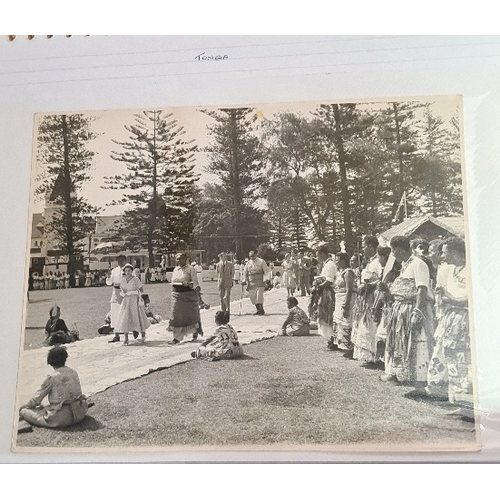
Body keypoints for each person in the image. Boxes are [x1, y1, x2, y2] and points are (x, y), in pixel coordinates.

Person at [382, 235, 435, 385]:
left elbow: (422, 289)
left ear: (399, 249)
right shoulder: (406, 264)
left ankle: (420, 379)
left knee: (416, 342)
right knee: (400, 342)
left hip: (412, 309)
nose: (392, 254)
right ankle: (401, 373)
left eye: (393, 251)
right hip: (400, 309)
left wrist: (417, 312)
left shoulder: (419, 264)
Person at [425, 237, 472, 404]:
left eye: (445, 252)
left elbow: (471, 298)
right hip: (450, 317)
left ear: (457, 253)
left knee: (461, 356)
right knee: (446, 354)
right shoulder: (451, 270)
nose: (442, 256)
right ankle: (450, 395)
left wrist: (449, 297)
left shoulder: (471, 270)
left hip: (464, 319)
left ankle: (465, 399)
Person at [19, 346, 88, 429]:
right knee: (45, 406)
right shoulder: (73, 372)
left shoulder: (51, 378)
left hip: (63, 417)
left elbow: (36, 400)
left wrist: (24, 406)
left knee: (25, 411)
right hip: (80, 411)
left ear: (51, 362)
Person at [351, 235, 382, 364]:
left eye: (364, 246)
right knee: (365, 325)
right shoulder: (369, 261)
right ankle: (367, 356)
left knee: (372, 325)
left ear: (370, 246)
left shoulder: (378, 261)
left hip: (373, 297)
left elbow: (381, 279)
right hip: (365, 297)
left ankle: (374, 357)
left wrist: (368, 285)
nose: (363, 249)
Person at [169, 252, 202, 345]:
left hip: (188, 294)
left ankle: (194, 331)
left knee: (191, 315)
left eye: (181, 258)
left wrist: (188, 284)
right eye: (177, 259)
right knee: (175, 315)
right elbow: (173, 281)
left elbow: (195, 282)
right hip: (177, 294)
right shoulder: (176, 269)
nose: (179, 260)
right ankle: (176, 337)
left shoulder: (191, 269)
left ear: (185, 259)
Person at [114, 263, 150, 345]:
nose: (128, 272)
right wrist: (123, 293)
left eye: (129, 270)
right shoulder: (122, 280)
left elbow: (141, 289)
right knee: (125, 317)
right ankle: (126, 339)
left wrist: (138, 296)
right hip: (126, 300)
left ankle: (143, 334)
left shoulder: (135, 279)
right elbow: (121, 289)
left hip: (134, 299)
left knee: (137, 316)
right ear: (124, 271)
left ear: (132, 271)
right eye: (126, 271)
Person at [309, 244, 337, 338]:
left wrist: (318, 287)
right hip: (323, 292)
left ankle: (331, 337)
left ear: (323, 254)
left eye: (317, 255)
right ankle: (329, 337)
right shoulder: (325, 264)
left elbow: (329, 280)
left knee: (327, 315)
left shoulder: (330, 264)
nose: (317, 258)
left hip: (327, 293)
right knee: (323, 315)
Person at [331, 252, 356, 350]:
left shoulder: (348, 272)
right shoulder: (341, 272)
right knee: (340, 322)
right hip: (339, 299)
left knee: (346, 321)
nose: (336, 262)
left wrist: (346, 304)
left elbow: (349, 289)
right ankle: (343, 346)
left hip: (345, 300)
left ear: (343, 261)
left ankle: (349, 347)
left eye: (337, 260)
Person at [106, 255, 127, 343]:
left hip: (125, 293)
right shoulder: (114, 271)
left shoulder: (128, 269)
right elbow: (109, 283)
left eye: (122, 260)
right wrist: (108, 276)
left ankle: (129, 333)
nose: (120, 262)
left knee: (126, 314)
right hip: (115, 292)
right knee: (114, 313)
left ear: (125, 260)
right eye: (119, 260)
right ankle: (116, 335)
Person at [243, 250, 271, 315]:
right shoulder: (248, 263)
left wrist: (266, 280)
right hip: (251, 282)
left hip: (259, 281)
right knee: (253, 297)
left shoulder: (261, 261)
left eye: (253, 256)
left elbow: (266, 271)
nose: (252, 258)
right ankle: (258, 309)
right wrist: (244, 280)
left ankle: (261, 309)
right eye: (250, 257)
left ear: (256, 254)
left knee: (259, 296)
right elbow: (245, 272)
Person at [216, 251, 234, 316]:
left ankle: (228, 309)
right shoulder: (218, 265)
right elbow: (217, 273)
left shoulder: (230, 264)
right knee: (221, 297)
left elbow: (232, 273)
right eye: (223, 256)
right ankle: (223, 310)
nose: (225, 257)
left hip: (228, 281)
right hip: (221, 282)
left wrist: (231, 279)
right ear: (221, 257)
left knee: (227, 296)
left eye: (225, 256)